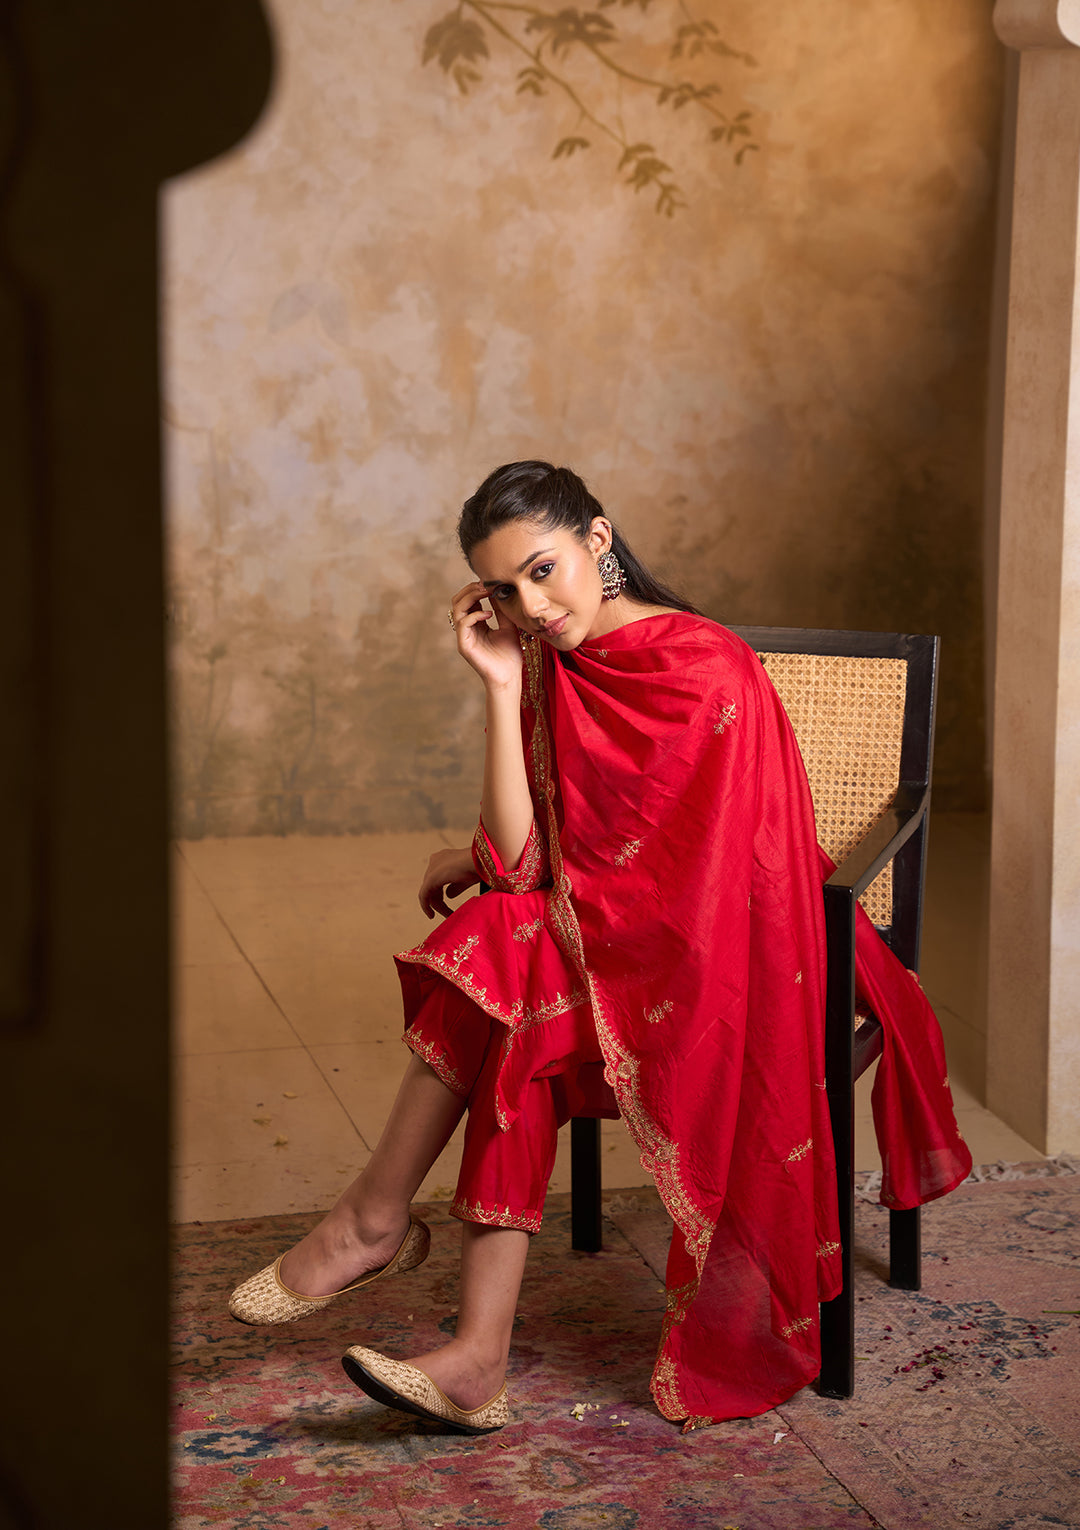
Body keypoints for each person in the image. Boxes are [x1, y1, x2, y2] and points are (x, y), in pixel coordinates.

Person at [229, 460, 972, 1433]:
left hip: (730, 961)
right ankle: (453, 1333)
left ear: (599, 539)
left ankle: (387, 1238)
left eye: (543, 571)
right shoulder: (543, 660)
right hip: (611, 949)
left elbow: (705, 883)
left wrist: (504, 873)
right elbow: (517, 865)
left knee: (504, 972)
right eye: (503, 591)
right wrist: (500, 685)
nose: (532, 608)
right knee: (510, 981)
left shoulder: (709, 671)